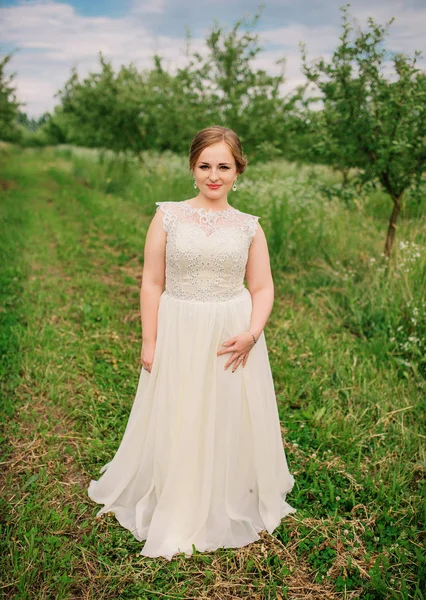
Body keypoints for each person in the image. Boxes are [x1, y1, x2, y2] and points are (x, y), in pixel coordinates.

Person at [88, 125, 296, 560]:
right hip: (180, 325)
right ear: (192, 167)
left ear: (238, 171)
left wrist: (252, 333)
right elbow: (151, 281)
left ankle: (226, 489)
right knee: (181, 409)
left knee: (226, 411)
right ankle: (178, 493)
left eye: (224, 166)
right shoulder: (169, 216)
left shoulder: (249, 227)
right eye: (205, 166)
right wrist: (151, 339)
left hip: (230, 332)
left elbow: (263, 287)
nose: (213, 175)